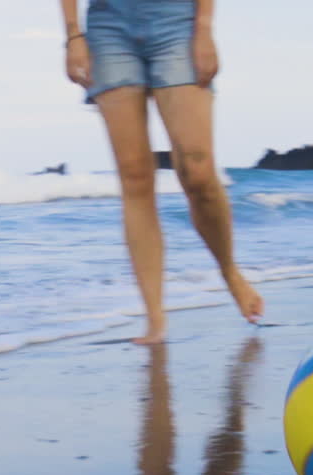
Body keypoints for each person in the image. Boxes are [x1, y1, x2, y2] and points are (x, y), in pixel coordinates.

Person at [58, 0, 263, 344]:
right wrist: (73, 35)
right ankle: (154, 318)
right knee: (135, 175)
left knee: (197, 169)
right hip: (109, 26)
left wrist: (204, 28)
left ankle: (229, 271)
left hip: (177, 22)